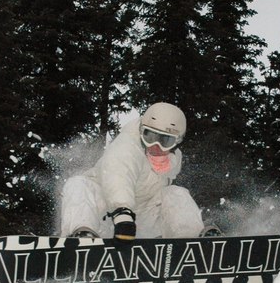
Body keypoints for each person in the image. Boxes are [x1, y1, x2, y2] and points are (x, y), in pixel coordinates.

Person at [60, 103, 214, 242]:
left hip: (142, 220)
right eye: (150, 136)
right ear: (141, 131)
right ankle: (82, 237)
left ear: (177, 142)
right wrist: (122, 213)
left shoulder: (173, 159)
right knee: (77, 184)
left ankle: (189, 242)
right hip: (107, 216)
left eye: (165, 140)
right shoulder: (127, 146)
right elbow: (118, 177)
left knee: (175, 192)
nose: (156, 145)